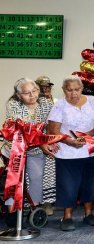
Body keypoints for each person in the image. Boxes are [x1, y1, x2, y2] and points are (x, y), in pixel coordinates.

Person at [47, 75, 94, 231]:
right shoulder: (59, 106)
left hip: (91, 151)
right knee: (68, 186)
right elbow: (53, 131)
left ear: (82, 89)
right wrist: (68, 141)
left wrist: (91, 134)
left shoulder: (91, 100)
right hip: (68, 153)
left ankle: (89, 214)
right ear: (64, 90)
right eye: (69, 90)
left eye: (77, 89)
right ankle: (67, 217)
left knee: (90, 184)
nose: (74, 93)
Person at [1, 78, 56, 225]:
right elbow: (22, 127)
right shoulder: (13, 104)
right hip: (16, 147)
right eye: (27, 93)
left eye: (34, 91)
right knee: (14, 179)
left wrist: (47, 141)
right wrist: (42, 141)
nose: (32, 95)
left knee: (37, 177)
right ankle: (12, 212)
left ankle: (35, 208)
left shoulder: (46, 103)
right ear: (19, 95)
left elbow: (50, 124)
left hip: (36, 149)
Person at [35, 75, 57, 216]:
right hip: (35, 141)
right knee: (35, 175)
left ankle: (47, 203)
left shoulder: (54, 102)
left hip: (49, 140)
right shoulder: (32, 102)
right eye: (42, 87)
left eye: (47, 87)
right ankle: (34, 203)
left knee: (49, 174)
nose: (45, 89)